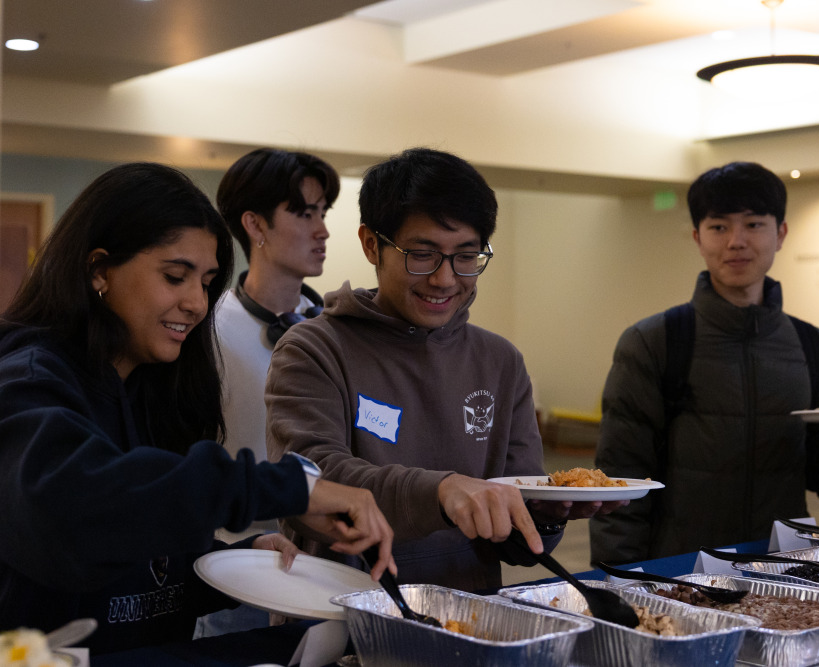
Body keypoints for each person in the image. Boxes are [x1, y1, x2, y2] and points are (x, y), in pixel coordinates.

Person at [0, 162, 395, 654]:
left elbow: (142, 570)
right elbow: (78, 514)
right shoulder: (30, 379)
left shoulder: (155, 388)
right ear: (99, 270)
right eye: (175, 276)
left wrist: (228, 562)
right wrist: (290, 487)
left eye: (206, 282)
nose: (196, 303)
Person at [266, 147, 623, 592]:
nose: (445, 279)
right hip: (337, 617)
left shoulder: (500, 361)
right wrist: (442, 491)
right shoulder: (313, 349)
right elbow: (310, 481)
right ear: (371, 243)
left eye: (466, 256)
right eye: (423, 254)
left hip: (467, 618)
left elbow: (515, 541)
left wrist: (546, 514)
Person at [589, 161, 819, 565]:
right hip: (681, 568)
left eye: (754, 224)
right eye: (719, 227)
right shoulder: (654, 342)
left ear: (781, 234)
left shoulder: (814, 346)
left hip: (783, 566)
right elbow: (620, 483)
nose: (736, 241)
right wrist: (620, 581)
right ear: (697, 237)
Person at [194, 149, 339, 637]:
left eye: (323, 213)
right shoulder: (206, 330)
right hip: (240, 568)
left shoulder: (336, 332)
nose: (321, 230)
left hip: (328, 565)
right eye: (303, 214)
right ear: (255, 225)